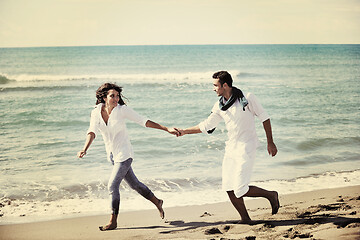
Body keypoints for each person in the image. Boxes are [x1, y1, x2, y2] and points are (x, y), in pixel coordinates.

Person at [175, 71, 279, 224]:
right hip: (231, 148)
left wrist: (270, 142)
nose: (213, 88)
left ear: (225, 85)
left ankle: (271, 195)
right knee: (229, 187)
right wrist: (184, 131)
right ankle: (245, 218)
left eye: (215, 85)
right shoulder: (219, 105)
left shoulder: (247, 98)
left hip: (247, 146)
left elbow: (265, 117)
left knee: (240, 189)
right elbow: (207, 125)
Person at [77, 83, 179, 231]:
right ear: (104, 97)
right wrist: (84, 148)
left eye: (117, 96)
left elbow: (144, 121)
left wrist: (166, 128)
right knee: (135, 185)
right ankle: (157, 202)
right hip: (112, 155)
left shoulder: (122, 110)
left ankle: (113, 221)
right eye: (112, 96)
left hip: (125, 154)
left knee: (112, 186)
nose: (116, 98)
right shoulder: (96, 112)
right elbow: (92, 131)